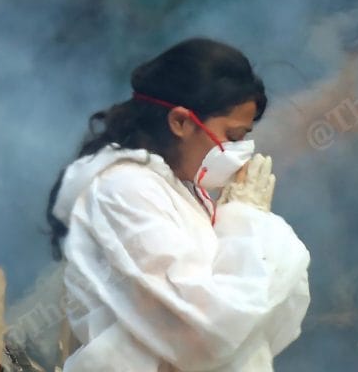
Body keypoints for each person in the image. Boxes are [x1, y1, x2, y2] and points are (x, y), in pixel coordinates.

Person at [46, 37, 311, 371]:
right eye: (232, 137)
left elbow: (257, 325)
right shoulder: (123, 189)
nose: (241, 152)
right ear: (180, 122)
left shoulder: (179, 189)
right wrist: (247, 220)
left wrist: (242, 220)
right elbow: (204, 331)